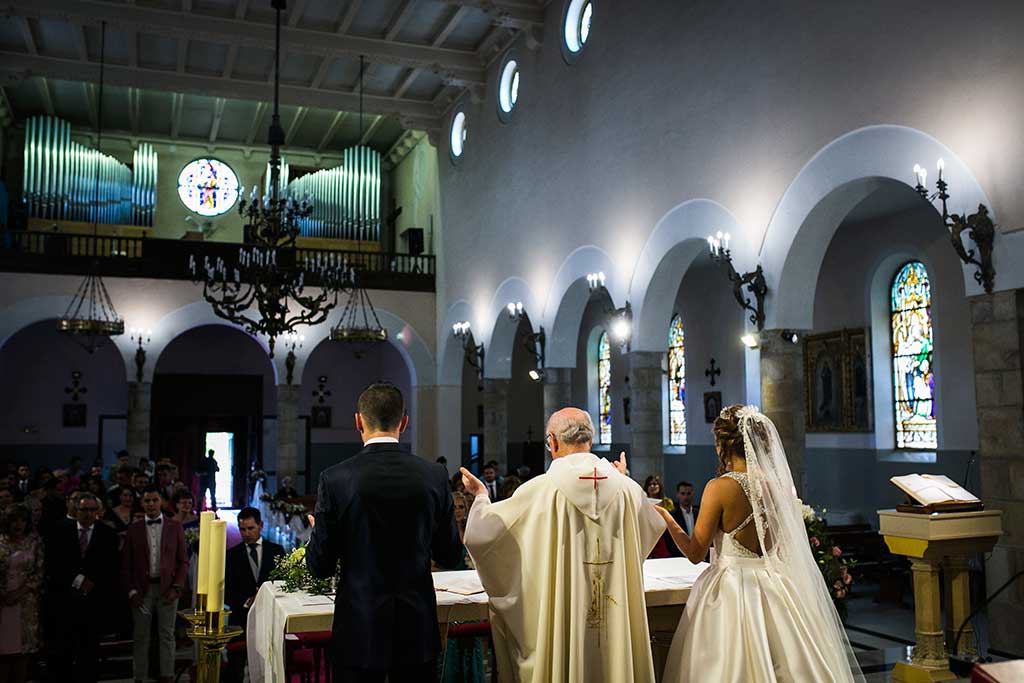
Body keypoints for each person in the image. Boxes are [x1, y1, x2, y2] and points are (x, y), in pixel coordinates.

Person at [658, 405, 864, 682]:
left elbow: (696, 553)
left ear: (723, 445)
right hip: (774, 585)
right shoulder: (775, 487)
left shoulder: (719, 487)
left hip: (731, 588)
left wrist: (667, 521)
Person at [461, 407, 665, 682]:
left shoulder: (540, 490)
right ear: (590, 440)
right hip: (615, 616)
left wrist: (482, 497)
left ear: (553, 442)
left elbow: (486, 535)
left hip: (565, 623)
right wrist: (623, 481)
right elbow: (649, 526)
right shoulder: (627, 489)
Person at [305, 383, 462, 682]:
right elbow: (450, 555)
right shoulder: (434, 476)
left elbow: (320, 567)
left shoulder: (335, 479)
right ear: (404, 421)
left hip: (359, 627)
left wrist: (318, 537)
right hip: (416, 626)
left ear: (358, 421)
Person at [46, 491, 118, 683]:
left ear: (99, 511)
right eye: (84, 509)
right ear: (75, 510)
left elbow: (110, 566)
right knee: (64, 649)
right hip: (65, 598)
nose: (88, 513)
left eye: (92, 509)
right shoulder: (59, 530)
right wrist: (78, 580)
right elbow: (54, 562)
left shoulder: (108, 533)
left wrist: (91, 581)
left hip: (94, 600)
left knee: (90, 650)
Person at [122, 485, 188, 683]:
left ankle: (167, 675)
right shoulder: (133, 529)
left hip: (167, 587)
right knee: (141, 636)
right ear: (142, 503)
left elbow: (183, 561)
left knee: (167, 634)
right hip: (142, 589)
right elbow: (126, 564)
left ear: (162, 502)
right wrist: (131, 591)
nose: (151, 504)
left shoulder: (174, 527)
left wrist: (177, 587)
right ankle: (139, 677)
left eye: (154, 500)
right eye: (147, 501)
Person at [224, 507, 285, 683]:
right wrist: (246, 601)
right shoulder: (232, 555)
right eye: (242, 529)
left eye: (251, 528)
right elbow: (226, 590)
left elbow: (284, 583)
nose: (246, 533)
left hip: (270, 618)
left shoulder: (276, 551)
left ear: (260, 526)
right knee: (236, 666)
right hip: (241, 618)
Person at [0, 504, 44, 683]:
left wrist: (19, 593)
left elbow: (39, 572)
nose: (18, 525)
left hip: (26, 600)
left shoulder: (35, 542)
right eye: (14, 520)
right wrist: (4, 594)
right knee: (3, 651)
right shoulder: (1, 541)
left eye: (22, 520)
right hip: (2, 601)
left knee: (23, 650)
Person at [666, 481, 704, 561]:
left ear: (692, 494)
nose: (686, 497)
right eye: (683, 494)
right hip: (679, 558)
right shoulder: (672, 516)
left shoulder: (700, 513)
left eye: (688, 493)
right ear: (678, 495)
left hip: (699, 557)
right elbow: (669, 541)